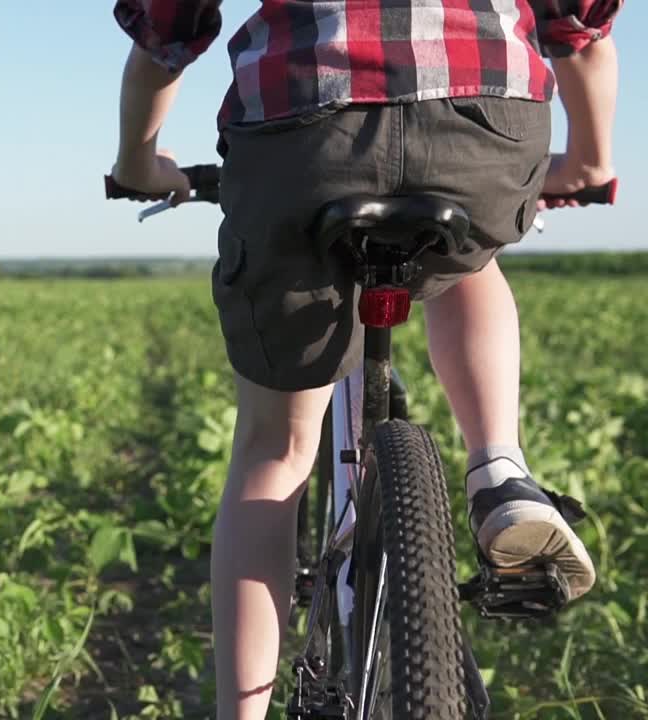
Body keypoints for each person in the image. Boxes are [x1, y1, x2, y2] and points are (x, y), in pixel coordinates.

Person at [106, 0, 621, 717]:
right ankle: (500, 470)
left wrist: (138, 160)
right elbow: (580, 30)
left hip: (305, 129)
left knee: (274, 450)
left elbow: (169, 27)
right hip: (487, 121)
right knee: (468, 260)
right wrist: (588, 162)